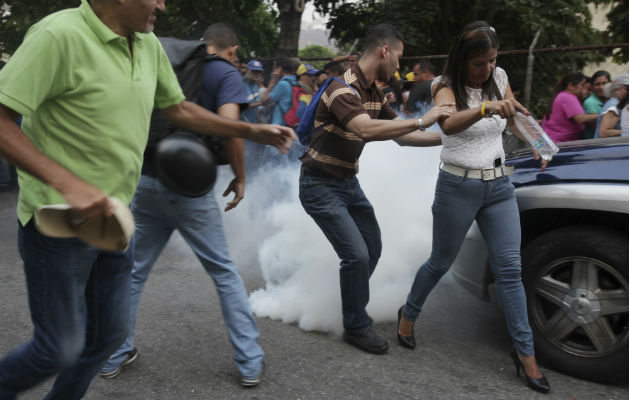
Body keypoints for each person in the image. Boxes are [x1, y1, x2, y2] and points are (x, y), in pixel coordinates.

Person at [0, 1, 295, 399]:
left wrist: (248, 130)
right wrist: (66, 183)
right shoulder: (57, 35)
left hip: (116, 221)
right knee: (58, 348)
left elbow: (177, 107)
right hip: (58, 222)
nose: (162, 3)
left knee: (108, 338)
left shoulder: (147, 43)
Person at [99, 22, 265, 387]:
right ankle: (250, 362)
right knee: (223, 272)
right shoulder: (224, 73)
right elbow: (231, 126)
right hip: (189, 190)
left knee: (132, 271)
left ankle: (113, 353)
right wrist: (240, 176)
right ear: (232, 50)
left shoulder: (162, 62)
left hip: (146, 180)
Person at [396, 21, 550, 394]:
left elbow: (511, 114)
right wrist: (485, 107)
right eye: (479, 63)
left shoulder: (499, 76)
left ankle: (526, 354)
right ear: (463, 60)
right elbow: (448, 125)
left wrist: (537, 141)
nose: (486, 70)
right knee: (440, 262)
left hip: (498, 187)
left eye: (491, 61)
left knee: (510, 270)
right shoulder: (443, 85)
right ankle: (409, 314)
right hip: (457, 186)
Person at [299, 23, 453, 355]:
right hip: (318, 185)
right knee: (355, 255)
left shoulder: (374, 93)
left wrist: (448, 141)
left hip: (347, 184)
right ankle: (355, 325)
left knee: (372, 247)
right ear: (385, 50)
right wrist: (422, 120)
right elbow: (365, 129)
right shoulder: (341, 88)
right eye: (399, 55)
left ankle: (351, 305)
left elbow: (400, 135)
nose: (400, 64)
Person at [541, 71, 598, 143]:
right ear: (571, 86)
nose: (584, 89)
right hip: (558, 144)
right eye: (582, 85)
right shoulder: (568, 97)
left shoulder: (562, 95)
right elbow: (580, 119)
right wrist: (603, 114)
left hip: (552, 142)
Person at [582, 71, 611, 139]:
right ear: (592, 87)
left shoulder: (612, 99)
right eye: (597, 84)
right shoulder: (589, 102)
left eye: (604, 83)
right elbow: (598, 130)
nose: (601, 87)